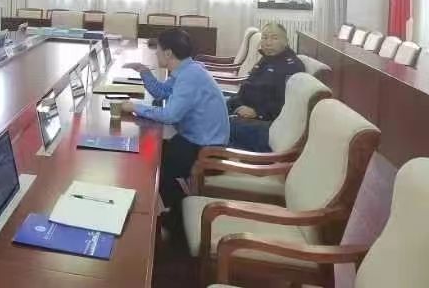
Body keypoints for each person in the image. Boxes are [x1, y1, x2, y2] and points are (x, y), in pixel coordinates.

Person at [121, 29, 229, 239]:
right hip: (197, 138)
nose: (156, 54)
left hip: (206, 149)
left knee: (154, 166)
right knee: (151, 153)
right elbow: (162, 92)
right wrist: (144, 71)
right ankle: (176, 212)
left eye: (158, 50)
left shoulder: (189, 77)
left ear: (168, 53)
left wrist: (135, 107)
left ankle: (179, 217)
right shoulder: (187, 69)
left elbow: (170, 115)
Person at [226, 23, 305, 152]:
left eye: (274, 38)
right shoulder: (265, 60)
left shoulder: (292, 67)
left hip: (266, 123)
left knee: (217, 123)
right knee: (208, 108)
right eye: (265, 37)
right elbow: (246, 88)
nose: (268, 42)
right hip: (243, 110)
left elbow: (286, 104)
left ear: (286, 41)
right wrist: (237, 104)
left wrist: (258, 113)